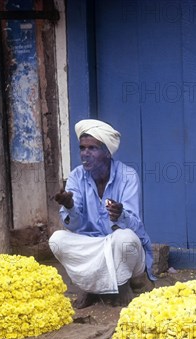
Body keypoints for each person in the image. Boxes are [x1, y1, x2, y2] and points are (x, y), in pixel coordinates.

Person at [49, 119, 154, 309]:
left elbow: (136, 227)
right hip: (93, 245)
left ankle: (123, 285)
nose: (85, 154)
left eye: (92, 149)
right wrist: (70, 205)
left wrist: (120, 215)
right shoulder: (76, 176)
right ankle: (89, 286)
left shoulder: (128, 176)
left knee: (125, 239)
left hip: (119, 245)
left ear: (107, 152)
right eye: (82, 148)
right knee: (57, 240)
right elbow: (74, 226)